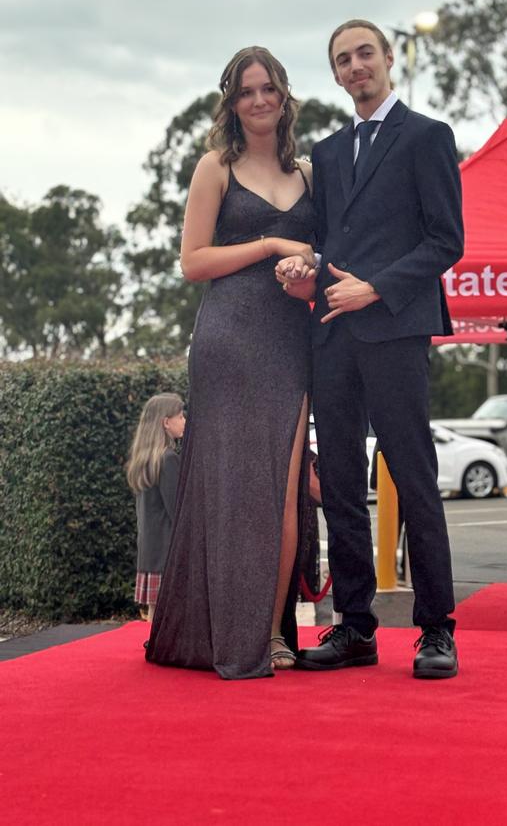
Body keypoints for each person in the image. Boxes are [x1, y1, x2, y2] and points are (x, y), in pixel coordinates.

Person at [277, 19, 464, 679]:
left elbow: (446, 242)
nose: (355, 66)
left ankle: (437, 629)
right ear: (334, 75)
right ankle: (354, 626)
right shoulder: (326, 155)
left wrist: (376, 289)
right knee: (344, 490)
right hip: (330, 334)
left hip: (395, 331)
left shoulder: (428, 138)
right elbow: (329, 241)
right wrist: (310, 271)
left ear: (387, 60)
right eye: (342, 60)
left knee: (414, 480)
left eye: (364, 54)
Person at [145, 46, 317, 679]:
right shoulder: (215, 166)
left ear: (284, 94)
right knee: (229, 487)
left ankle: (271, 633)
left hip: (290, 342)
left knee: (282, 490)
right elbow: (193, 263)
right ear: (232, 102)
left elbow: (320, 257)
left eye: (268, 87)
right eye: (246, 91)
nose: (259, 100)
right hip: (227, 337)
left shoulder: (310, 174)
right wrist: (271, 242)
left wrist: (306, 267)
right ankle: (222, 630)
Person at [126, 393, 186, 624]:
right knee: (172, 616)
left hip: (151, 551)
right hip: (168, 551)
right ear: (165, 422)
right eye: (180, 416)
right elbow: (177, 511)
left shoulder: (144, 459)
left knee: (155, 614)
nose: (184, 421)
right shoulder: (168, 459)